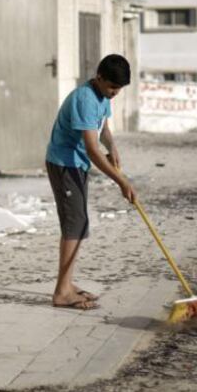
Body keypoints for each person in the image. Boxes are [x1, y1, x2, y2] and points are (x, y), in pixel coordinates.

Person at [45, 54, 136, 310]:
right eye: (112, 87)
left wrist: (113, 145)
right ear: (99, 78)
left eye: (118, 89)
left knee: (79, 223)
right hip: (64, 164)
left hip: (77, 164)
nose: (115, 93)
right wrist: (121, 181)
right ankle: (62, 293)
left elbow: (102, 128)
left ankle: (68, 283)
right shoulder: (85, 98)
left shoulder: (102, 96)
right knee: (73, 225)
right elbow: (93, 149)